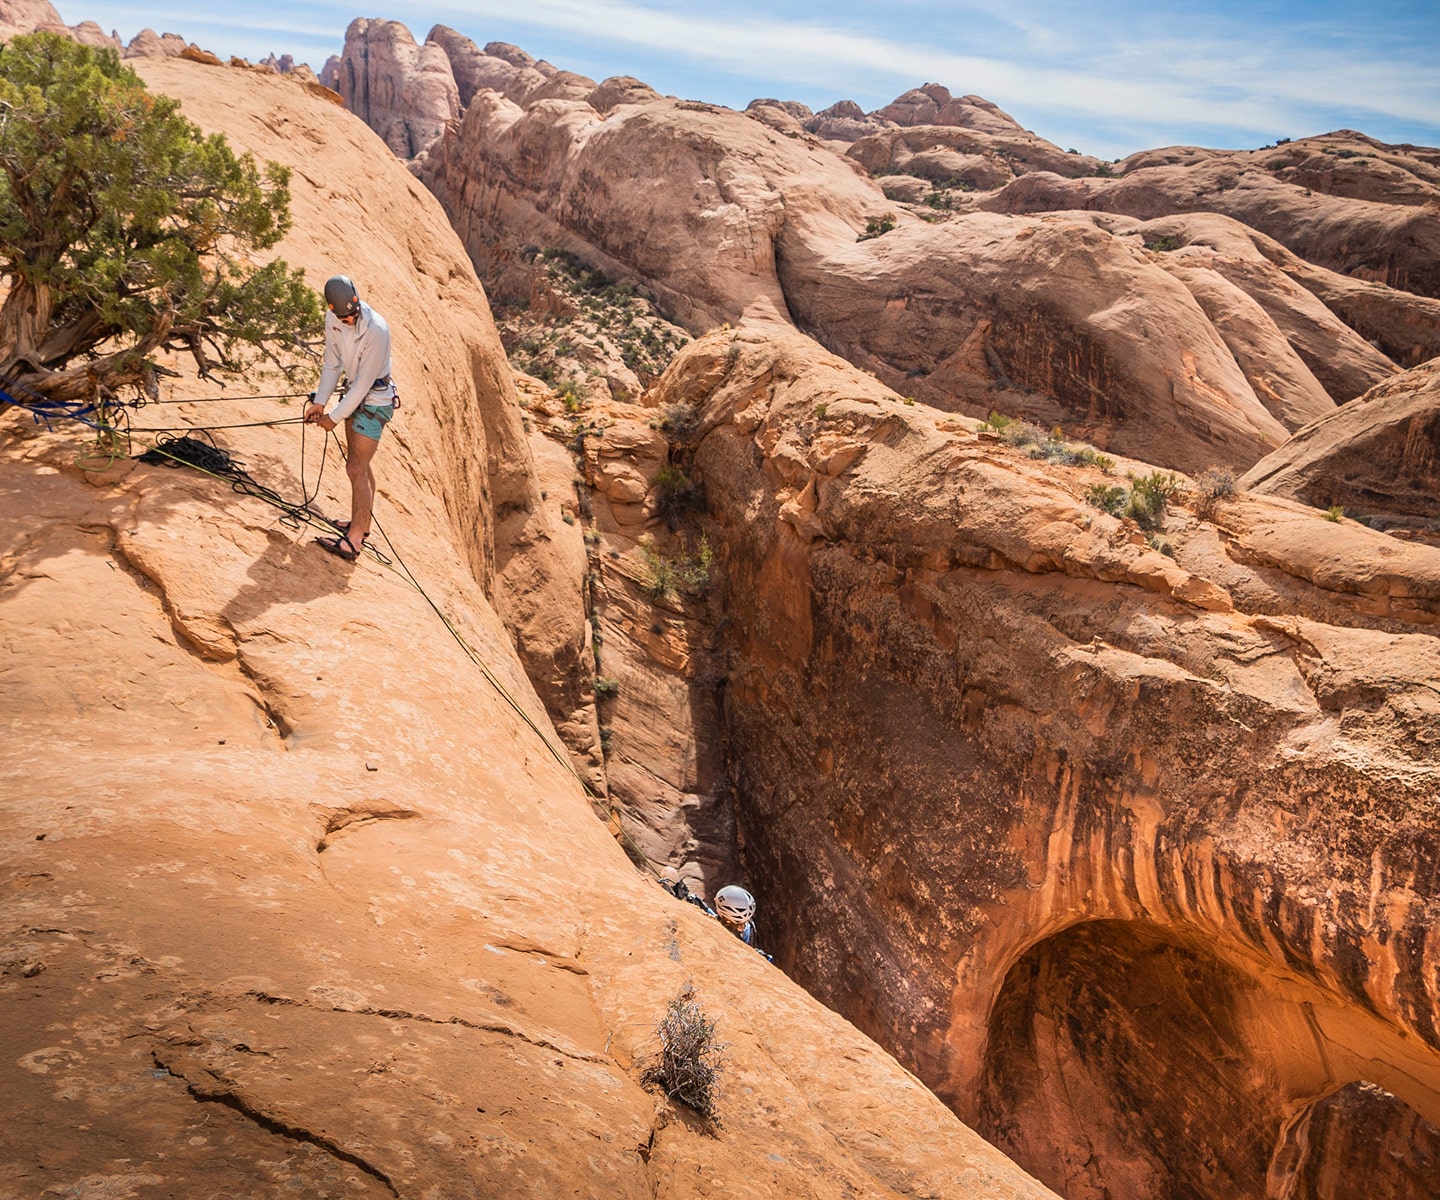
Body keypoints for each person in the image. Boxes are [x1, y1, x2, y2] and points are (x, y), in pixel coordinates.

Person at [305, 275, 398, 561]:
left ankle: (355, 539)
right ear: (333, 310)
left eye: (352, 315)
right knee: (359, 465)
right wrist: (320, 403)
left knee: (356, 467)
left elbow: (364, 383)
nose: (349, 321)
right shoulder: (333, 319)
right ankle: (362, 525)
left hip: (374, 401)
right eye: (344, 317)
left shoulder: (377, 330)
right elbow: (332, 363)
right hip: (355, 397)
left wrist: (333, 416)